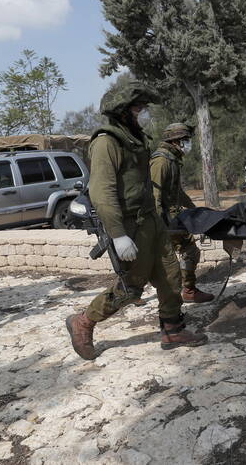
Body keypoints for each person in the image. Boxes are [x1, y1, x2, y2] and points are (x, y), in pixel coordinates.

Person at [65, 80, 207, 360]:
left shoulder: (135, 139)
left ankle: (172, 329)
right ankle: (83, 321)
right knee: (130, 289)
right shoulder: (107, 142)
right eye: (138, 108)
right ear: (122, 111)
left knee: (170, 277)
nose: (143, 113)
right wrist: (118, 234)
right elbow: (101, 192)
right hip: (130, 227)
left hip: (152, 222)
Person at [150, 123, 214, 303]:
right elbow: (155, 195)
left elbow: (176, 192)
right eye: (186, 140)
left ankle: (187, 289)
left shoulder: (172, 159)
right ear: (176, 141)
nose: (189, 144)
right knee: (189, 251)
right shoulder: (161, 161)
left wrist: (194, 209)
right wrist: (159, 226)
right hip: (165, 220)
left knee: (187, 252)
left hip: (173, 216)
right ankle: (188, 291)